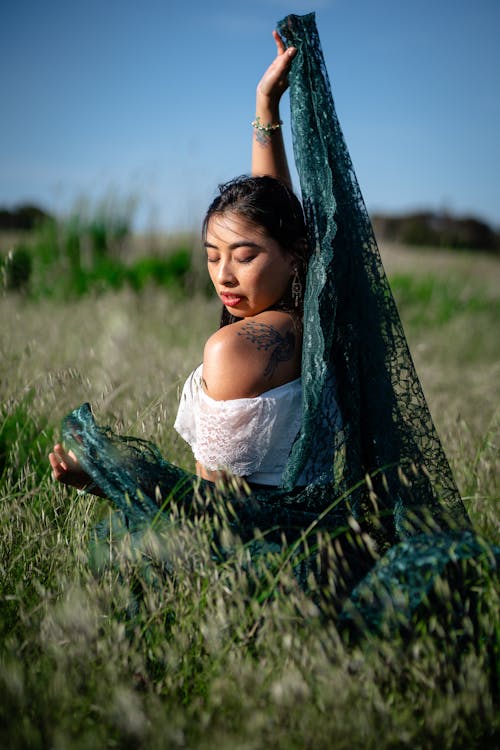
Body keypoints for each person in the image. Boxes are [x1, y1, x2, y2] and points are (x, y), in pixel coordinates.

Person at [49, 31, 330, 496]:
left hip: (266, 557)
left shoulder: (235, 350)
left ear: (295, 251)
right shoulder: (315, 317)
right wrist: (266, 108)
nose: (223, 275)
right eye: (212, 256)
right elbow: (273, 215)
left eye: (243, 257)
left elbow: (214, 515)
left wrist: (110, 481)